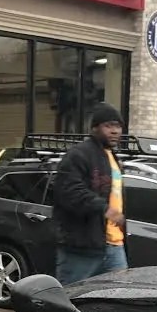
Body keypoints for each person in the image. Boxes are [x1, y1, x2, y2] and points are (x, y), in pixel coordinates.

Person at [51, 103, 128, 285]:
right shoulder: (79, 155)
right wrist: (104, 209)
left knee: (118, 298)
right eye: (108, 126)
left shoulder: (112, 158)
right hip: (82, 247)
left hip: (114, 244)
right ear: (94, 128)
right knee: (73, 299)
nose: (115, 131)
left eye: (118, 126)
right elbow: (70, 191)